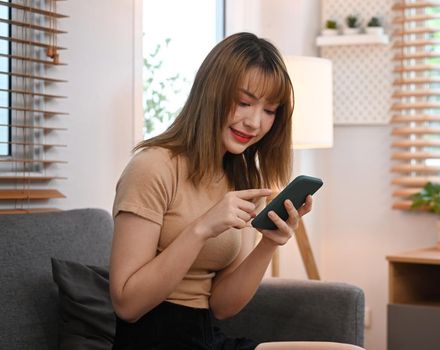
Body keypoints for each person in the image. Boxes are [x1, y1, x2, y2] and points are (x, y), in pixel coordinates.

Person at [109, 32, 364, 350]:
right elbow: (127, 305)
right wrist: (201, 228)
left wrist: (269, 243)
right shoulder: (153, 166)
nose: (255, 122)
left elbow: (222, 306)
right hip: (151, 339)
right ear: (211, 93)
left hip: (206, 337)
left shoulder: (243, 176)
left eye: (270, 110)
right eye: (244, 102)